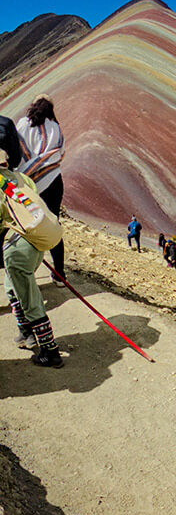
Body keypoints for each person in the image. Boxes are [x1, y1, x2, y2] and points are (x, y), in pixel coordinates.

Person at [2, 151, 63, 367]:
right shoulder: (21, 179)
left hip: (18, 246)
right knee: (13, 287)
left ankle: (50, 350)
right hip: (38, 240)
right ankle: (26, 332)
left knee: (28, 297)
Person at [14, 95, 65, 279]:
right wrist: (44, 163)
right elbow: (61, 153)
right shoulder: (55, 127)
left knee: (29, 225)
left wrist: (29, 167)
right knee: (53, 224)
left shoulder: (22, 125)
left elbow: (15, 151)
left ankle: (27, 273)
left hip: (27, 184)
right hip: (52, 181)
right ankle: (60, 273)